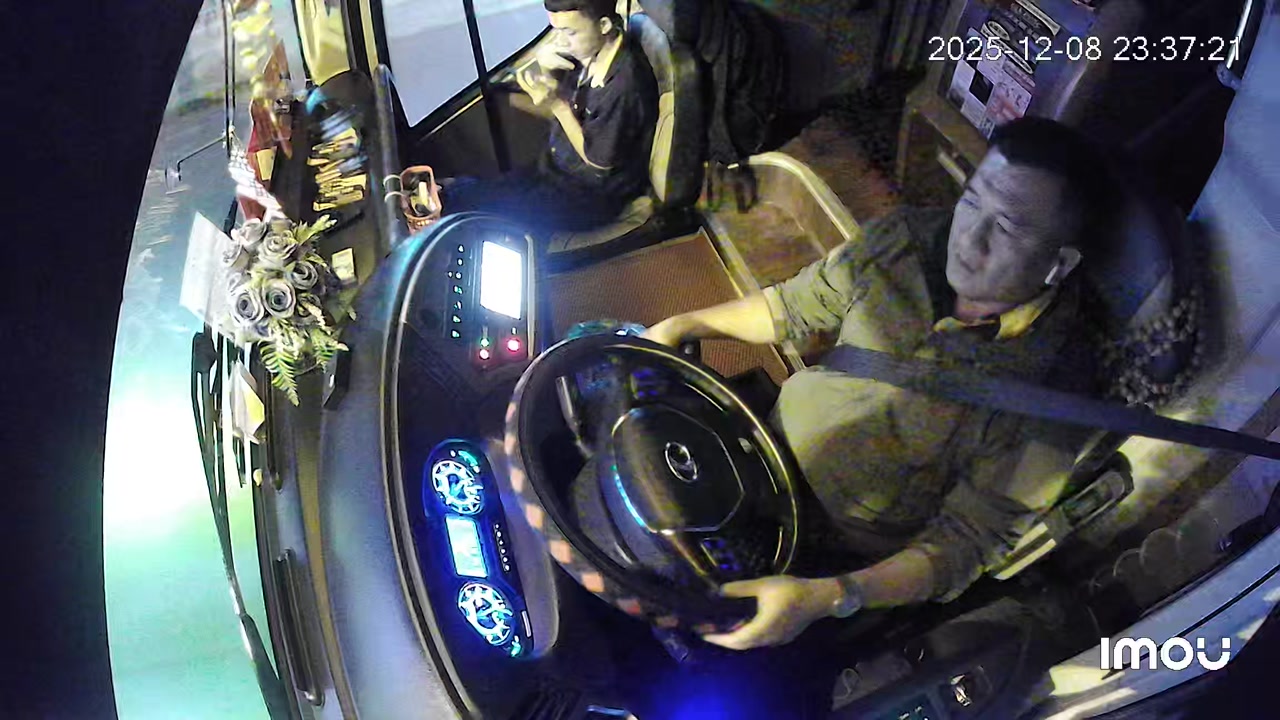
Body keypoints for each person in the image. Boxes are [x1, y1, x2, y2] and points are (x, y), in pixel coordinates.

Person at [643, 117, 1113, 656]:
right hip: (757, 446)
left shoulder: (1054, 395)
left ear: (1059, 263)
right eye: (972, 201)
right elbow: (792, 306)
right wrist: (684, 325)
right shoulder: (907, 239)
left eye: (1006, 228)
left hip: (821, 551)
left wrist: (829, 596)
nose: (969, 237)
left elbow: (963, 545)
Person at [441, 0, 658, 238]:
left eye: (569, 32)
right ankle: (442, 194)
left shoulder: (623, 86)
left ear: (604, 25)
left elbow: (598, 163)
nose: (561, 41)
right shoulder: (589, 50)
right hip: (557, 171)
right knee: (474, 193)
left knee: (483, 212)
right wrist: (544, 68)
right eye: (556, 30)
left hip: (588, 197)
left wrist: (556, 105)